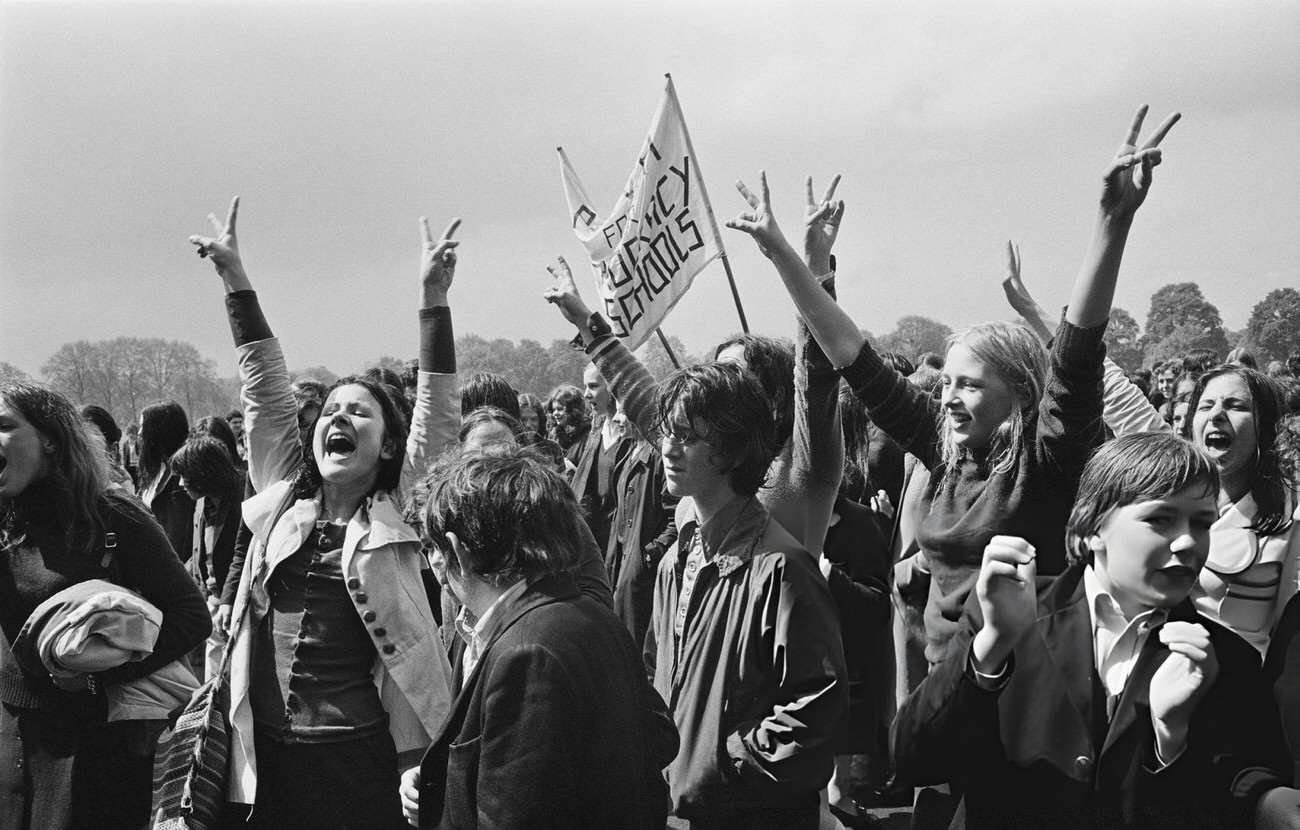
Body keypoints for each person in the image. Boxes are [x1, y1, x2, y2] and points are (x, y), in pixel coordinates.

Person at [726, 106, 1180, 664]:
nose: (947, 396)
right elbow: (852, 357)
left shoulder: (1049, 458)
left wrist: (1113, 220)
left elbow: (1078, 350)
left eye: (969, 384)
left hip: (1025, 697)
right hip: (942, 693)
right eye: (947, 383)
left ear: (1019, 391)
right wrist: (793, 261)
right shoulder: (945, 452)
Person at [189, 198, 455, 829]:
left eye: (359, 412)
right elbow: (265, 393)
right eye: (331, 409)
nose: (338, 417)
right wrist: (235, 279)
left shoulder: (402, 511)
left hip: (357, 758)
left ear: (388, 445)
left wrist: (433, 299)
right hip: (261, 758)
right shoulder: (281, 497)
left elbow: (438, 415)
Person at [891, 433, 1296, 829]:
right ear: (1091, 527)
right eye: (1161, 519)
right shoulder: (1005, 612)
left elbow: (1224, 801)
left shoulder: (1227, 660)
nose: (1188, 541)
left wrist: (1169, 742)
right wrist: (989, 650)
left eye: (1203, 522)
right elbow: (914, 759)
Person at [401, 448, 678, 829]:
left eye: (431, 546)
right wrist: (443, 785)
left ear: (458, 550)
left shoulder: (526, 655)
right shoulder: (591, 616)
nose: (431, 562)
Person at [0, 382, 210, 830]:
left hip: (92, 750)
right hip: (9, 741)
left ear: (51, 439)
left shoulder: (111, 514)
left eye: (3, 426)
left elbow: (192, 617)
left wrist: (98, 680)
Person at [1184, 365, 1300, 656]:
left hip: (1242, 687)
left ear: (1266, 424)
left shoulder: (1290, 511)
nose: (1216, 415)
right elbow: (1124, 405)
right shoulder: (1171, 484)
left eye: (1235, 406)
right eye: (1205, 405)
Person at [171, 435, 244, 679]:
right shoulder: (202, 503)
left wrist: (228, 600)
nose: (181, 484)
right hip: (212, 603)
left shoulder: (244, 499)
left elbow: (241, 554)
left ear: (204, 473)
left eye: (186, 476)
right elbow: (199, 554)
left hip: (237, 605)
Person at [137, 399, 196, 560]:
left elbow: (182, 535)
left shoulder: (184, 473)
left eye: (143, 426)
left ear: (160, 431)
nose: (139, 433)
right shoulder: (154, 470)